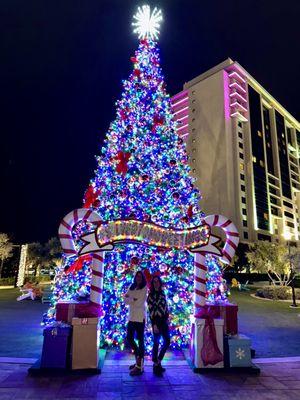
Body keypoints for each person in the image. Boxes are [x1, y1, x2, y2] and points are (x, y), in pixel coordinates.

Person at [124, 270, 147, 376]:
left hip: (140, 318)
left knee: (140, 341)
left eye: (140, 277)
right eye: (137, 276)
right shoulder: (132, 287)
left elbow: (139, 303)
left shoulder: (144, 288)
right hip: (131, 317)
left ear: (142, 278)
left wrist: (131, 299)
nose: (138, 278)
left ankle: (139, 366)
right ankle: (138, 359)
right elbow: (125, 300)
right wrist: (132, 299)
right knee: (129, 338)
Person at [147, 275, 170, 376]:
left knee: (167, 341)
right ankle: (156, 364)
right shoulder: (151, 295)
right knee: (156, 343)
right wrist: (154, 325)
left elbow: (165, 307)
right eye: (154, 282)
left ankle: (158, 361)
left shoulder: (162, 293)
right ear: (152, 283)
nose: (156, 283)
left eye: (157, 281)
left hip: (164, 321)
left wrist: (167, 317)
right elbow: (152, 311)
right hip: (156, 322)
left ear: (160, 283)